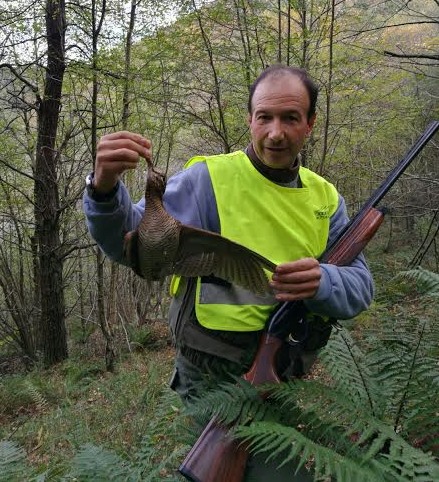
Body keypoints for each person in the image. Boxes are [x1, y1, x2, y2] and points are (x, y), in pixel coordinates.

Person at [84, 64, 374, 480]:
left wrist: (323, 281)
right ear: (249, 120)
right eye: (265, 117)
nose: (276, 132)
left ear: (310, 124)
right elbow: (136, 244)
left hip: (280, 379)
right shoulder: (209, 180)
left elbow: (361, 287)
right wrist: (104, 187)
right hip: (212, 379)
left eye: (291, 118)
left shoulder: (326, 198)